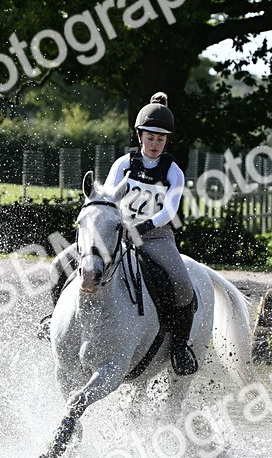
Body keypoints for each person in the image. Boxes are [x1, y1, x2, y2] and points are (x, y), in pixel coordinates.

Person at [42, 92, 199, 376]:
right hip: (115, 233)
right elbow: (107, 199)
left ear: (166, 141)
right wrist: (117, 227)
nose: (154, 144)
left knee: (182, 286)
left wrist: (143, 227)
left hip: (155, 237)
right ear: (140, 136)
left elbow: (169, 211)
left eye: (160, 139)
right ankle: (52, 319)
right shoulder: (124, 163)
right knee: (58, 265)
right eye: (150, 138)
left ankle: (179, 348)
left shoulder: (174, 172)